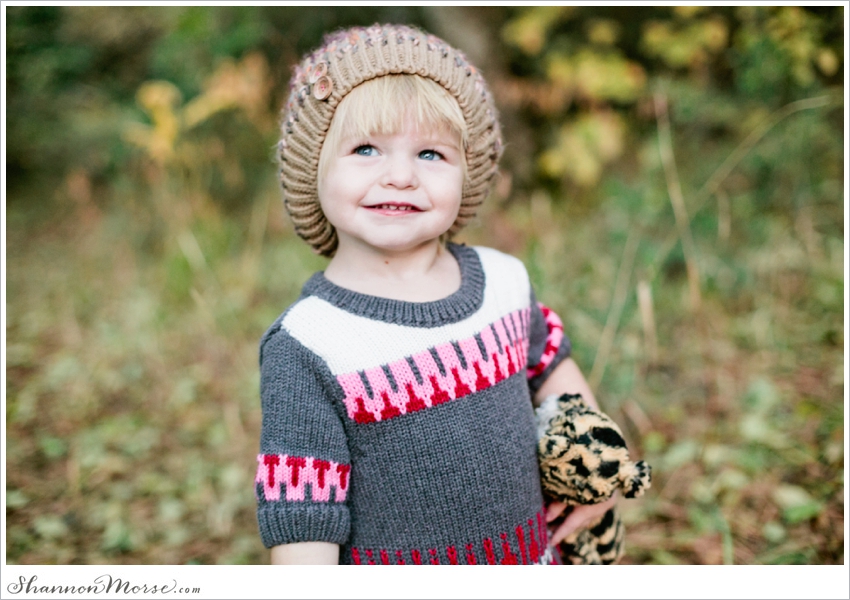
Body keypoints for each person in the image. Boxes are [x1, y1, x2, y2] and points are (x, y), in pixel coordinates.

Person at [256, 23, 617, 565]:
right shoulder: (309, 345)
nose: (400, 175)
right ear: (315, 170)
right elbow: (304, 519)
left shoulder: (503, 283)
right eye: (365, 148)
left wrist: (596, 466)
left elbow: (553, 368)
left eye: (430, 154)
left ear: (467, 175)